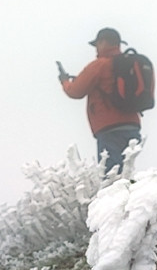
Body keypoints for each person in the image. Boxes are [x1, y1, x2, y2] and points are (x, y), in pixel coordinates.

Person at [58, 27, 142, 174]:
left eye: (97, 44)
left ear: (103, 42)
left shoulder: (99, 65)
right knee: (127, 174)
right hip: (132, 126)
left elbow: (75, 91)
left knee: (111, 177)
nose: (96, 49)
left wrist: (65, 82)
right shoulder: (129, 64)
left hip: (109, 128)